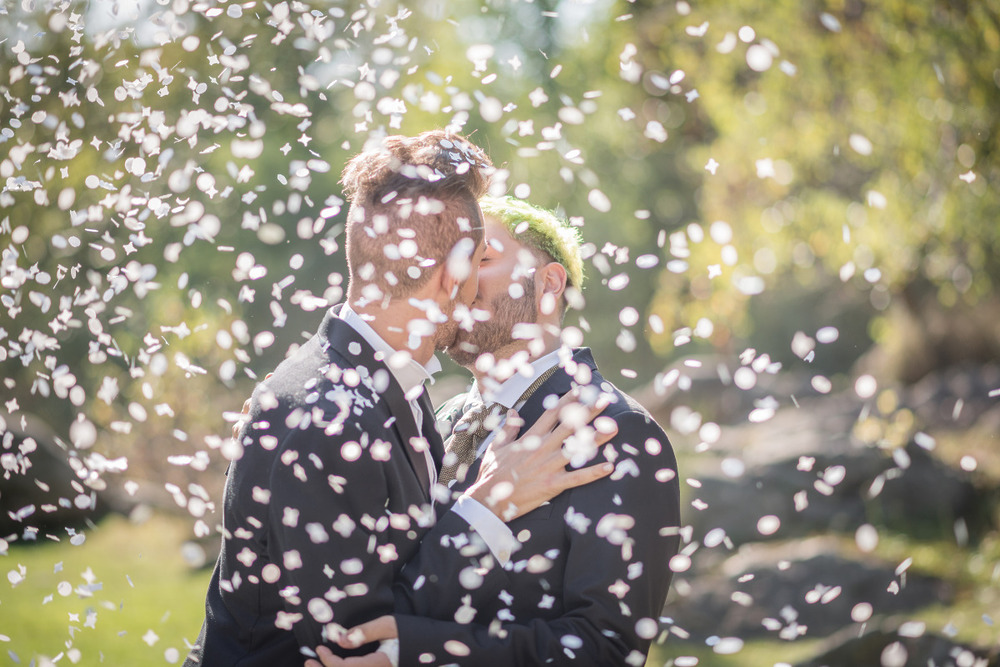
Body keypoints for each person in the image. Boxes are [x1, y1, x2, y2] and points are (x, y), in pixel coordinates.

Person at [184, 134, 617, 666]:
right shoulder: (324, 415)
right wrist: (486, 509)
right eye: (480, 260)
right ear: (450, 276)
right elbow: (358, 641)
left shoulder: (390, 390)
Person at [311, 196, 681, 666]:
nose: (457, 278)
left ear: (548, 284)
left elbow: (605, 649)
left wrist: (417, 653)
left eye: (482, 257)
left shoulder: (617, 432)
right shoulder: (437, 419)